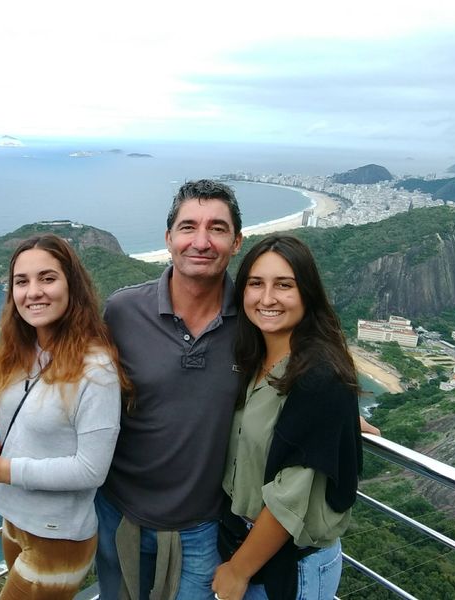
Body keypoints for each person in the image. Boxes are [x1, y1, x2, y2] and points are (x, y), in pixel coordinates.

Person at [0, 234, 126, 600]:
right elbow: (18, 398)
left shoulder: (96, 369)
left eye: (47, 278)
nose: (33, 292)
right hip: (14, 522)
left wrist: (2, 471)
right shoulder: (28, 350)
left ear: (71, 286)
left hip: (58, 538)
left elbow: (91, 470)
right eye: (22, 282)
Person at [95, 180, 244, 600]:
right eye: (188, 227)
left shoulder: (255, 321)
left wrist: (338, 410)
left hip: (203, 528)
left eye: (217, 228)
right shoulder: (122, 311)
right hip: (118, 515)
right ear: (168, 239)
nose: (201, 241)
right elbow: (61, 368)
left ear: (236, 242)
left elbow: (294, 374)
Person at [212, 235, 362, 600]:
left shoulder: (319, 378)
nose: (267, 299)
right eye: (255, 284)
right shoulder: (252, 360)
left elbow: (288, 500)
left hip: (290, 566)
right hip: (242, 543)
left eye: (284, 285)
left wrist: (237, 571)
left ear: (306, 293)